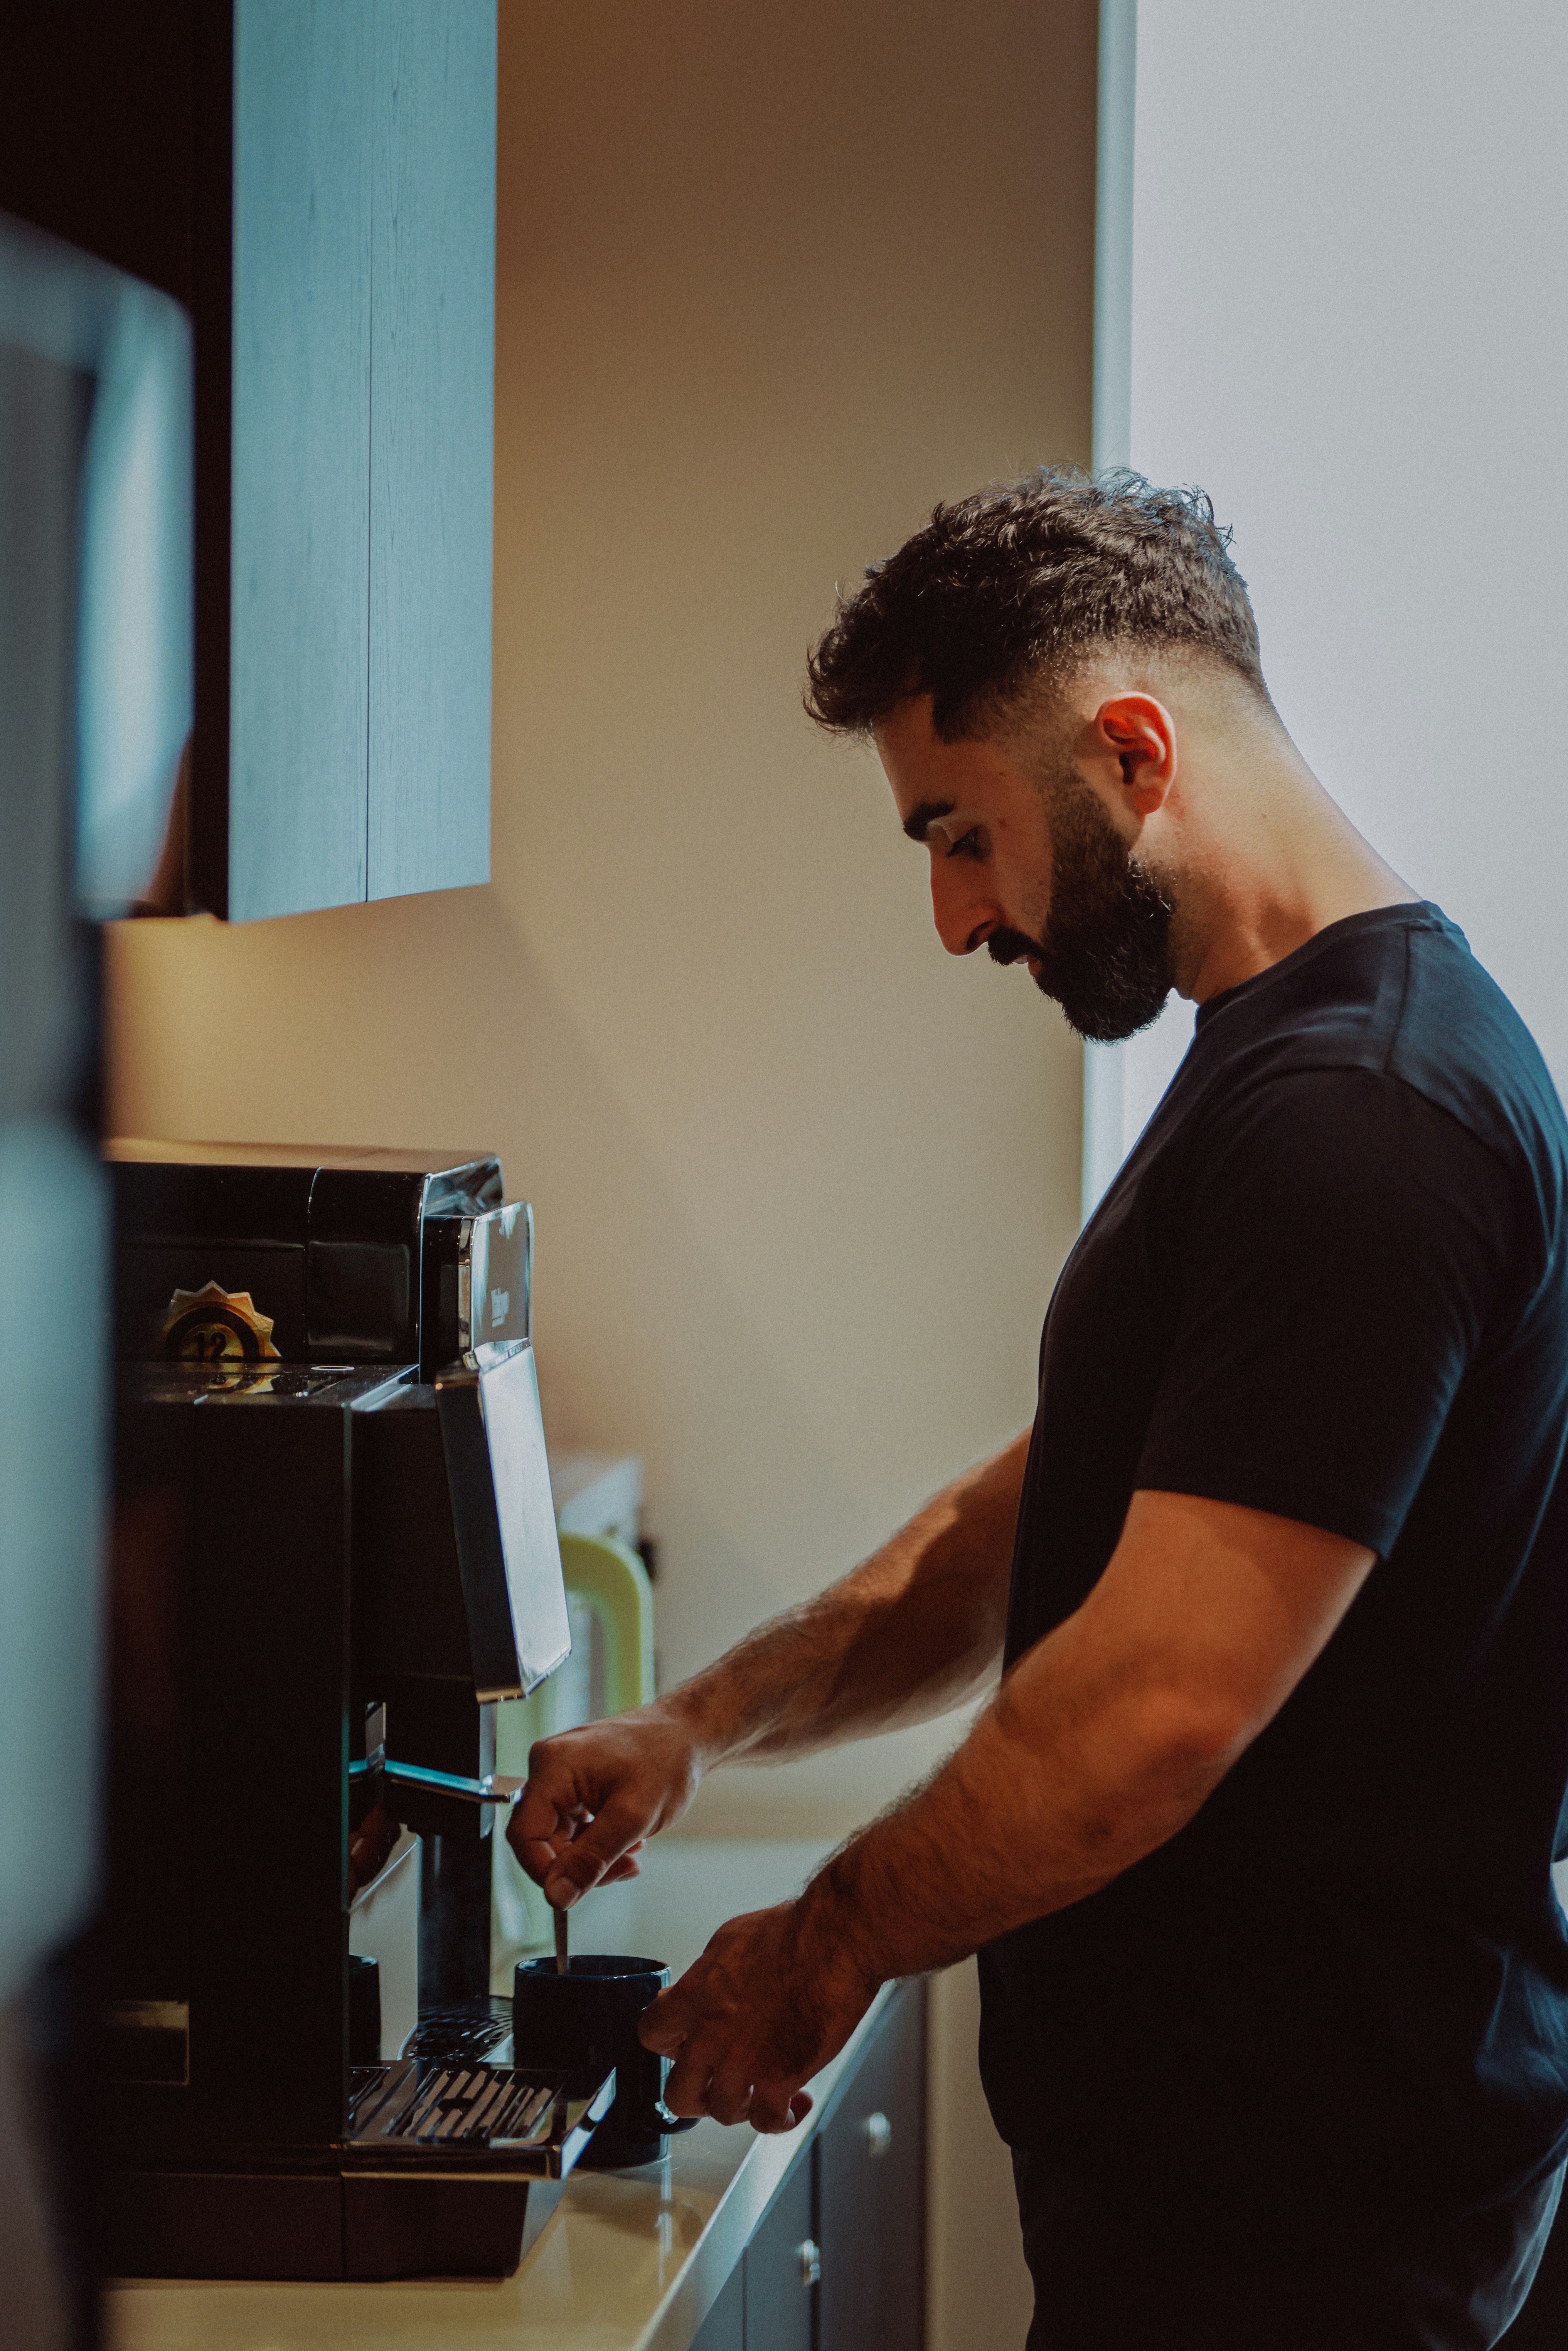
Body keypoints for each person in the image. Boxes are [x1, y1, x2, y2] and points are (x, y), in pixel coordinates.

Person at [507, 469, 1568, 2348]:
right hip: (1216, 2205)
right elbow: (1044, 1510)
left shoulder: (1367, 1120)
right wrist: (706, 1714)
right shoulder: (1282, 1057)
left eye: (960, 831)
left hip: (1311, 2239)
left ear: (1135, 752)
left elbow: (1156, 1704)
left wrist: (828, 1935)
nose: (952, 914)